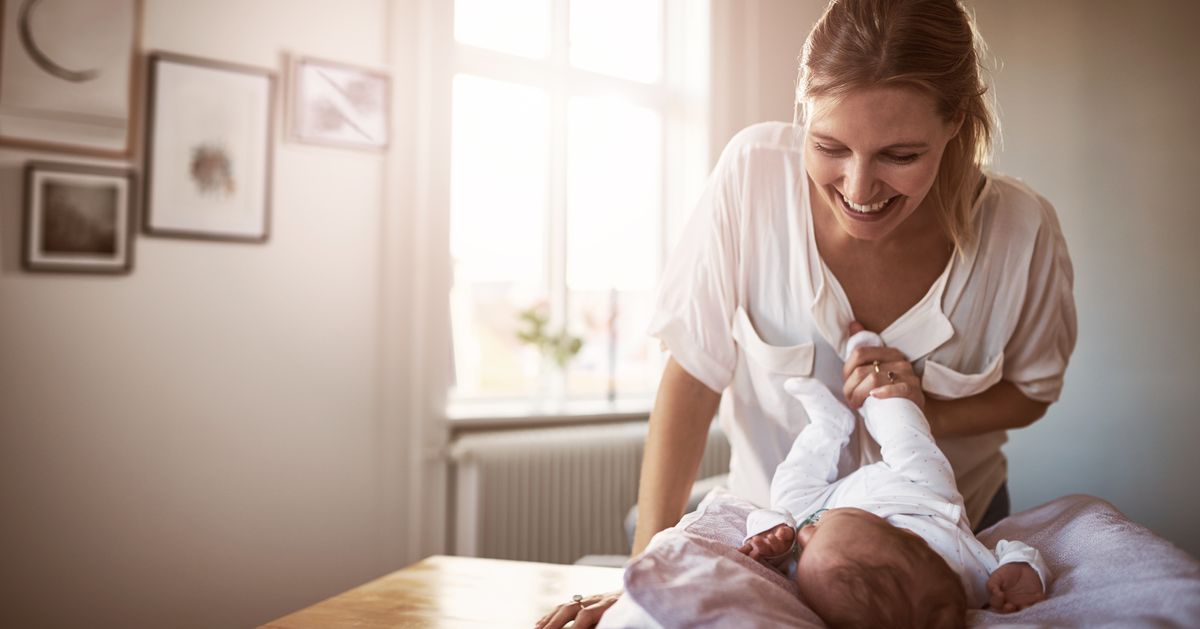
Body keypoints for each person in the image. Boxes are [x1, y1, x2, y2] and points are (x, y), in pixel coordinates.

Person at [537, 0, 1074, 626]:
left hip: (944, 553)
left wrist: (928, 406)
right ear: (804, 110)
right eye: (830, 146)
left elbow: (1032, 391)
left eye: (899, 155)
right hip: (773, 543)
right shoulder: (752, 176)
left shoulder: (1022, 230)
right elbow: (693, 374)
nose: (858, 188)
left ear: (955, 120)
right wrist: (643, 576)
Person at [738, 327, 1049, 628]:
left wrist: (773, 540)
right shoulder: (972, 575)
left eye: (806, 549)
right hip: (920, 495)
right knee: (905, 434)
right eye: (816, 534)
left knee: (786, 496)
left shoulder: (822, 579)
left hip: (835, 503)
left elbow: (780, 550)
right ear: (909, 537)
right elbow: (1013, 552)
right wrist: (1023, 571)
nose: (807, 535)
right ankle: (872, 372)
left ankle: (828, 426)